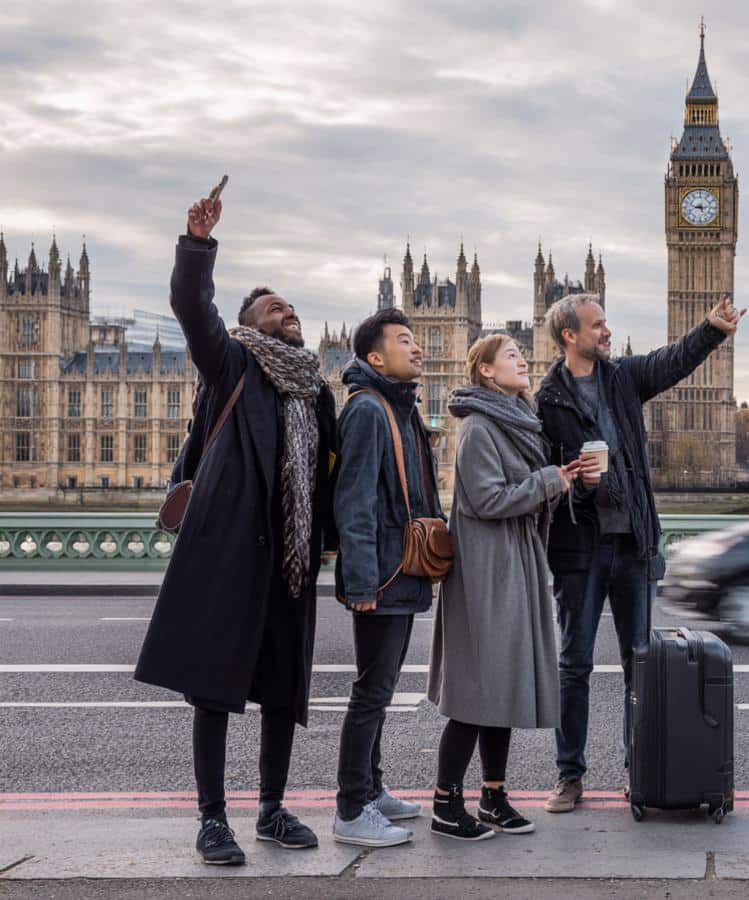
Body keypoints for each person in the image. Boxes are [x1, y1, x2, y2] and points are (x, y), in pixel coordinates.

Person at [135, 190, 338, 865]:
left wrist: (332, 543)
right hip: (232, 551)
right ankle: (212, 819)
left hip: (290, 558)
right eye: (273, 307)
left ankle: (273, 809)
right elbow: (193, 310)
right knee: (215, 690)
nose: (287, 311)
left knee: (283, 690)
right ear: (249, 326)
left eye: (290, 306)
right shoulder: (232, 365)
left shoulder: (315, 389)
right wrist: (197, 244)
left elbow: (327, 475)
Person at [538, 292, 746, 813]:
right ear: (570, 335)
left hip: (632, 545)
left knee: (642, 666)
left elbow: (671, 362)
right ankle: (569, 776)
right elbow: (543, 477)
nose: (607, 332)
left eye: (606, 323)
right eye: (597, 325)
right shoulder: (547, 399)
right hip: (581, 551)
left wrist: (711, 330)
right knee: (574, 666)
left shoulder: (623, 378)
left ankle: (642, 771)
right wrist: (578, 485)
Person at [427, 335, 584, 839]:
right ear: (487, 371)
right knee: (476, 689)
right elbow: (488, 500)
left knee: (501, 685)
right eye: (511, 355)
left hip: (514, 562)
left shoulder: (516, 422)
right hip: (485, 571)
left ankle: (492, 796)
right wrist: (547, 482)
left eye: (522, 352)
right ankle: (445, 803)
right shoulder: (478, 427)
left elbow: (522, 493)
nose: (523, 359)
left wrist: (557, 481)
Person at [331, 308, 440, 848]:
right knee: (371, 694)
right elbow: (353, 502)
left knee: (381, 689)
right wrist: (361, 584)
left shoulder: (399, 407)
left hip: (397, 571)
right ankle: (352, 809)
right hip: (381, 576)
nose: (416, 347)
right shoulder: (369, 410)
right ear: (376, 357)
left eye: (416, 338)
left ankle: (371, 789)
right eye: (404, 340)